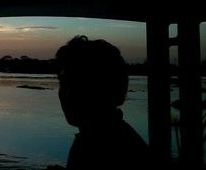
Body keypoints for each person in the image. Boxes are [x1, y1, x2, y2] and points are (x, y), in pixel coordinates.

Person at [55, 35, 149, 169]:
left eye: (83, 83)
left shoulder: (107, 146)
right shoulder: (94, 139)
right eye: (64, 83)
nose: (69, 94)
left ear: (113, 89)